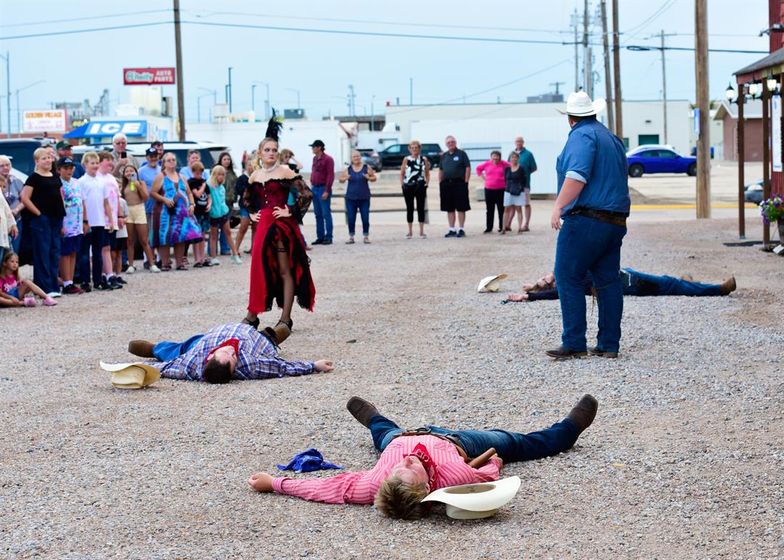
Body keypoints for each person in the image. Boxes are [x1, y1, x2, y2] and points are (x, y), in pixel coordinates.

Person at [248, 394, 598, 520]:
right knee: (518, 443)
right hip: (458, 442)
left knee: (382, 433)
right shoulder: (454, 480)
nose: (407, 462)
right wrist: (494, 462)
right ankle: (567, 431)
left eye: (400, 469)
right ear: (429, 486)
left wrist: (275, 482)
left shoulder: (372, 485)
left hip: (401, 437)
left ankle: (373, 417)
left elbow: (325, 489)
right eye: (411, 470)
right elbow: (490, 474)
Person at [548, 91, 630, 360]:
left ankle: (574, 341)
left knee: (567, 275)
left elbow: (576, 175)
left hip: (586, 218)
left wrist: (559, 206)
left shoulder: (581, 136)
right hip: (615, 220)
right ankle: (609, 344)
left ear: (570, 118)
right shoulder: (612, 138)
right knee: (607, 280)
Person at [243, 118, 315, 336]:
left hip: (281, 227)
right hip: (263, 226)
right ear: (260, 153)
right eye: (267, 149)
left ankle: (285, 319)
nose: (271, 152)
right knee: (258, 269)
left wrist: (290, 211)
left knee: (285, 270)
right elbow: (247, 198)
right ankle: (252, 315)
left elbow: (306, 193)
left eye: (274, 149)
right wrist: (252, 212)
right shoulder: (255, 175)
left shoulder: (285, 171)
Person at [126, 322, 334, 383]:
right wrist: (314, 365)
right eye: (232, 357)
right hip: (253, 339)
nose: (232, 352)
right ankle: (275, 333)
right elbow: (282, 367)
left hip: (210, 339)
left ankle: (155, 348)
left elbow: (164, 369)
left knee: (179, 352)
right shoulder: (251, 365)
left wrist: (132, 370)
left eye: (229, 354)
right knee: (271, 340)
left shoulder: (192, 365)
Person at [508, 270, 737, 304]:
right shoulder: (570, 283)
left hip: (627, 274)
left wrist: (532, 287)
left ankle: (690, 283)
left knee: (670, 281)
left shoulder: (567, 270)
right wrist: (530, 296)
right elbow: (555, 295)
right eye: (545, 281)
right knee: (671, 285)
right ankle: (718, 289)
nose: (548, 276)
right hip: (630, 283)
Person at [20, 147, 66, 298]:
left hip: (56, 218)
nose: (47, 161)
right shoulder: (34, 177)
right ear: (37, 161)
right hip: (41, 220)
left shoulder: (55, 176)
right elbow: (25, 198)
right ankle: (44, 287)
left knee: (54, 252)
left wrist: (63, 216)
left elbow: (60, 196)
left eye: (49, 158)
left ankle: (54, 285)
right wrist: (38, 213)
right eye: (43, 158)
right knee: (42, 253)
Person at [150, 152, 203, 271]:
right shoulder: (161, 176)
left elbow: (189, 193)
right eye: (168, 160)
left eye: (173, 159)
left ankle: (179, 263)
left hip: (181, 212)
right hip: (165, 212)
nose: (172, 162)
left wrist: (192, 204)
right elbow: (152, 193)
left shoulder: (182, 177)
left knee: (180, 236)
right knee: (165, 236)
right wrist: (164, 199)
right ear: (164, 163)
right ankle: (165, 263)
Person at [79, 152, 118, 291]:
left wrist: (111, 220)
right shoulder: (81, 182)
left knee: (98, 253)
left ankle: (98, 280)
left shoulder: (102, 182)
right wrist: (84, 221)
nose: (95, 166)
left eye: (96, 163)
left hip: (100, 222)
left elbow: (106, 202)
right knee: (84, 253)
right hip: (88, 222)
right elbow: (82, 203)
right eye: (92, 163)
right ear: (85, 165)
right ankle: (85, 280)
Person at [120, 163, 159, 274]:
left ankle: (152, 263)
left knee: (144, 239)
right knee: (130, 240)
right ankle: (131, 264)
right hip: (128, 211)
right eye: (127, 171)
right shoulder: (123, 185)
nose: (129, 173)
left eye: (131, 171)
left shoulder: (141, 183)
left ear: (136, 173)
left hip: (139, 209)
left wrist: (138, 186)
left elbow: (146, 197)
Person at [57, 157, 84, 295]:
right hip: (66, 222)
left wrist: (85, 221)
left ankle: (71, 280)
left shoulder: (76, 182)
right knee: (65, 253)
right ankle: (66, 281)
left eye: (70, 168)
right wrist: (60, 224)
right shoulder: (59, 184)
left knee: (73, 252)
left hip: (77, 222)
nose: (69, 171)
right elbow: (60, 205)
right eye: (65, 168)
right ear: (59, 169)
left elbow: (81, 202)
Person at [98, 152, 125, 288]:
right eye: (107, 160)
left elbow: (118, 199)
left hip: (113, 219)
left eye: (111, 160)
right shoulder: (97, 178)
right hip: (102, 219)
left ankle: (108, 273)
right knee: (104, 247)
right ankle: (106, 275)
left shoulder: (111, 178)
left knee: (111, 247)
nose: (111, 163)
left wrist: (120, 216)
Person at [339, 150, 376, 244]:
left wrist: (369, 178)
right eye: (354, 157)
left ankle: (366, 236)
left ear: (360, 157)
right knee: (351, 218)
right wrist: (345, 178)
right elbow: (340, 180)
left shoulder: (366, 167)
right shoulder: (348, 169)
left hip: (364, 197)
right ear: (351, 159)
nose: (356, 158)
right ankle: (351, 236)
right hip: (351, 198)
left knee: (365, 217)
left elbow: (374, 178)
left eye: (358, 156)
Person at [207, 164, 242, 264]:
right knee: (213, 236)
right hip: (213, 214)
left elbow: (222, 201)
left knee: (228, 233)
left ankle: (235, 254)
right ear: (214, 175)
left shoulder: (221, 187)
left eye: (223, 175)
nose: (221, 177)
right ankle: (213, 257)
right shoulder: (209, 185)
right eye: (219, 174)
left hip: (223, 213)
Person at [439, 136, 471, 238]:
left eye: (452, 142)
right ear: (446, 144)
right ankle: (452, 229)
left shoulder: (462, 154)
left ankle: (461, 229)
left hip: (460, 183)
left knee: (461, 207)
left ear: (455, 142)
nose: (451, 143)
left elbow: (467, 167)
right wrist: (440, 182)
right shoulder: (444, 155)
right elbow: (441, 169)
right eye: (448, 142)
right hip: (447, 184)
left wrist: (466, 182)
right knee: (449, 208)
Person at [400, 140, 430, 239]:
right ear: (409, 149)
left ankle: (421, 231)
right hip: (408, 186)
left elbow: (427, 172)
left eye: (416, 148)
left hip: (420, 185)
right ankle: (410, 231)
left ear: (419, 148)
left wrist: (427, 183)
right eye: (412, 148)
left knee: (420, 207)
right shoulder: (406, 159)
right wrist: (402, 184)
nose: (414, 150)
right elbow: (402, 173)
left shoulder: (424, 159)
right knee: (410, 208)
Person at [476, 151, 510, 233]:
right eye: (493, 156)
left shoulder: (504, 164)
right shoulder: (487, 163)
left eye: (497, 156)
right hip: (489, 189)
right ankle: (489, 227)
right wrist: (483, 177)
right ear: (491, 157)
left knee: (501, 209)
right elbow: (478, 169)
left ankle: (502, 227)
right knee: (489, 209)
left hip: (501, 189)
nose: (495, 158)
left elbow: (512, 167)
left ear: (500, 157)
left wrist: (507, 179)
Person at [309, 139, 335, 245]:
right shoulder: (315, 158)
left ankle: (328, 237)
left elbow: (330, 175)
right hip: (315, 188)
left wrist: (327, 190)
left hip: (323, 188)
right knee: (317, 214)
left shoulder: (328, 159)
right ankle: (320, 236)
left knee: (326, 213)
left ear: (319, 147)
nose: (312, 149)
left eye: (314, 147)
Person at [509, 136, 537, 232]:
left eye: (520, 141)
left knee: (526, 204)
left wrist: (525, 174)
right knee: (514, 204)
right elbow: (509, 167)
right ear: (515, 142)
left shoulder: (528, 154)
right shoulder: (511, 154)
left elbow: (534, 168)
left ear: (523, 142)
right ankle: (508, 224)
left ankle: (526, 224)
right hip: (513, 185)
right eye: (517, 141)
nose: (518, 143)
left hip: (525, 184)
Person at [0, 156, 24, 254]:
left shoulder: (17, 180)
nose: (5, 167)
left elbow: (24, 199)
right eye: (2, 166)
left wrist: (17, 209)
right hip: (2, 222)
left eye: (8, 165)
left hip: (16, 220)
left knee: (14, 253)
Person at [234, 155, 255, 255]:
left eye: (252, 165)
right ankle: (235, 248)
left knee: (255, 227)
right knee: (244, 226)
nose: (250, 167)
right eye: (249, 165)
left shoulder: (257, 177)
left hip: (255, 206)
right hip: (245, 206)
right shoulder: (242, 178)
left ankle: (254, 248)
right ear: (246, 166)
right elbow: (238, 190)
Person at [189, 176, 212, 268]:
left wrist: (209, 204)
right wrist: (203, 185)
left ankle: (202, 258)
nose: (198, 173)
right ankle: (197, 259)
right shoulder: (193, 183)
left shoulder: (206, 185)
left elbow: (209, 197)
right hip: (196, 213)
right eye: (196, 171)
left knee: (203, 235)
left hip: (204, 212)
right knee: (196, 236)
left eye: (200, 171)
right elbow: (198, 194)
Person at [502, 152, 528, 234]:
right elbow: (505, 180)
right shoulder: (506, 169)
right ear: (510, 158)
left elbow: (524, 180)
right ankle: (503, 228)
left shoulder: (521, 168)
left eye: (515, 157)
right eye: (512, 157)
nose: (514, 159)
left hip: (518, 191)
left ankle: (519, 227)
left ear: (518, 158)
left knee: (518, 209)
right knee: (506, 209)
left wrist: (520, 188)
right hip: (508, 191)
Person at [0, 173, 18, 264]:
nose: (1, 189)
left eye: (3, 187)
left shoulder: (1, 197)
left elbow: (7, 210)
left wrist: (13, 224)